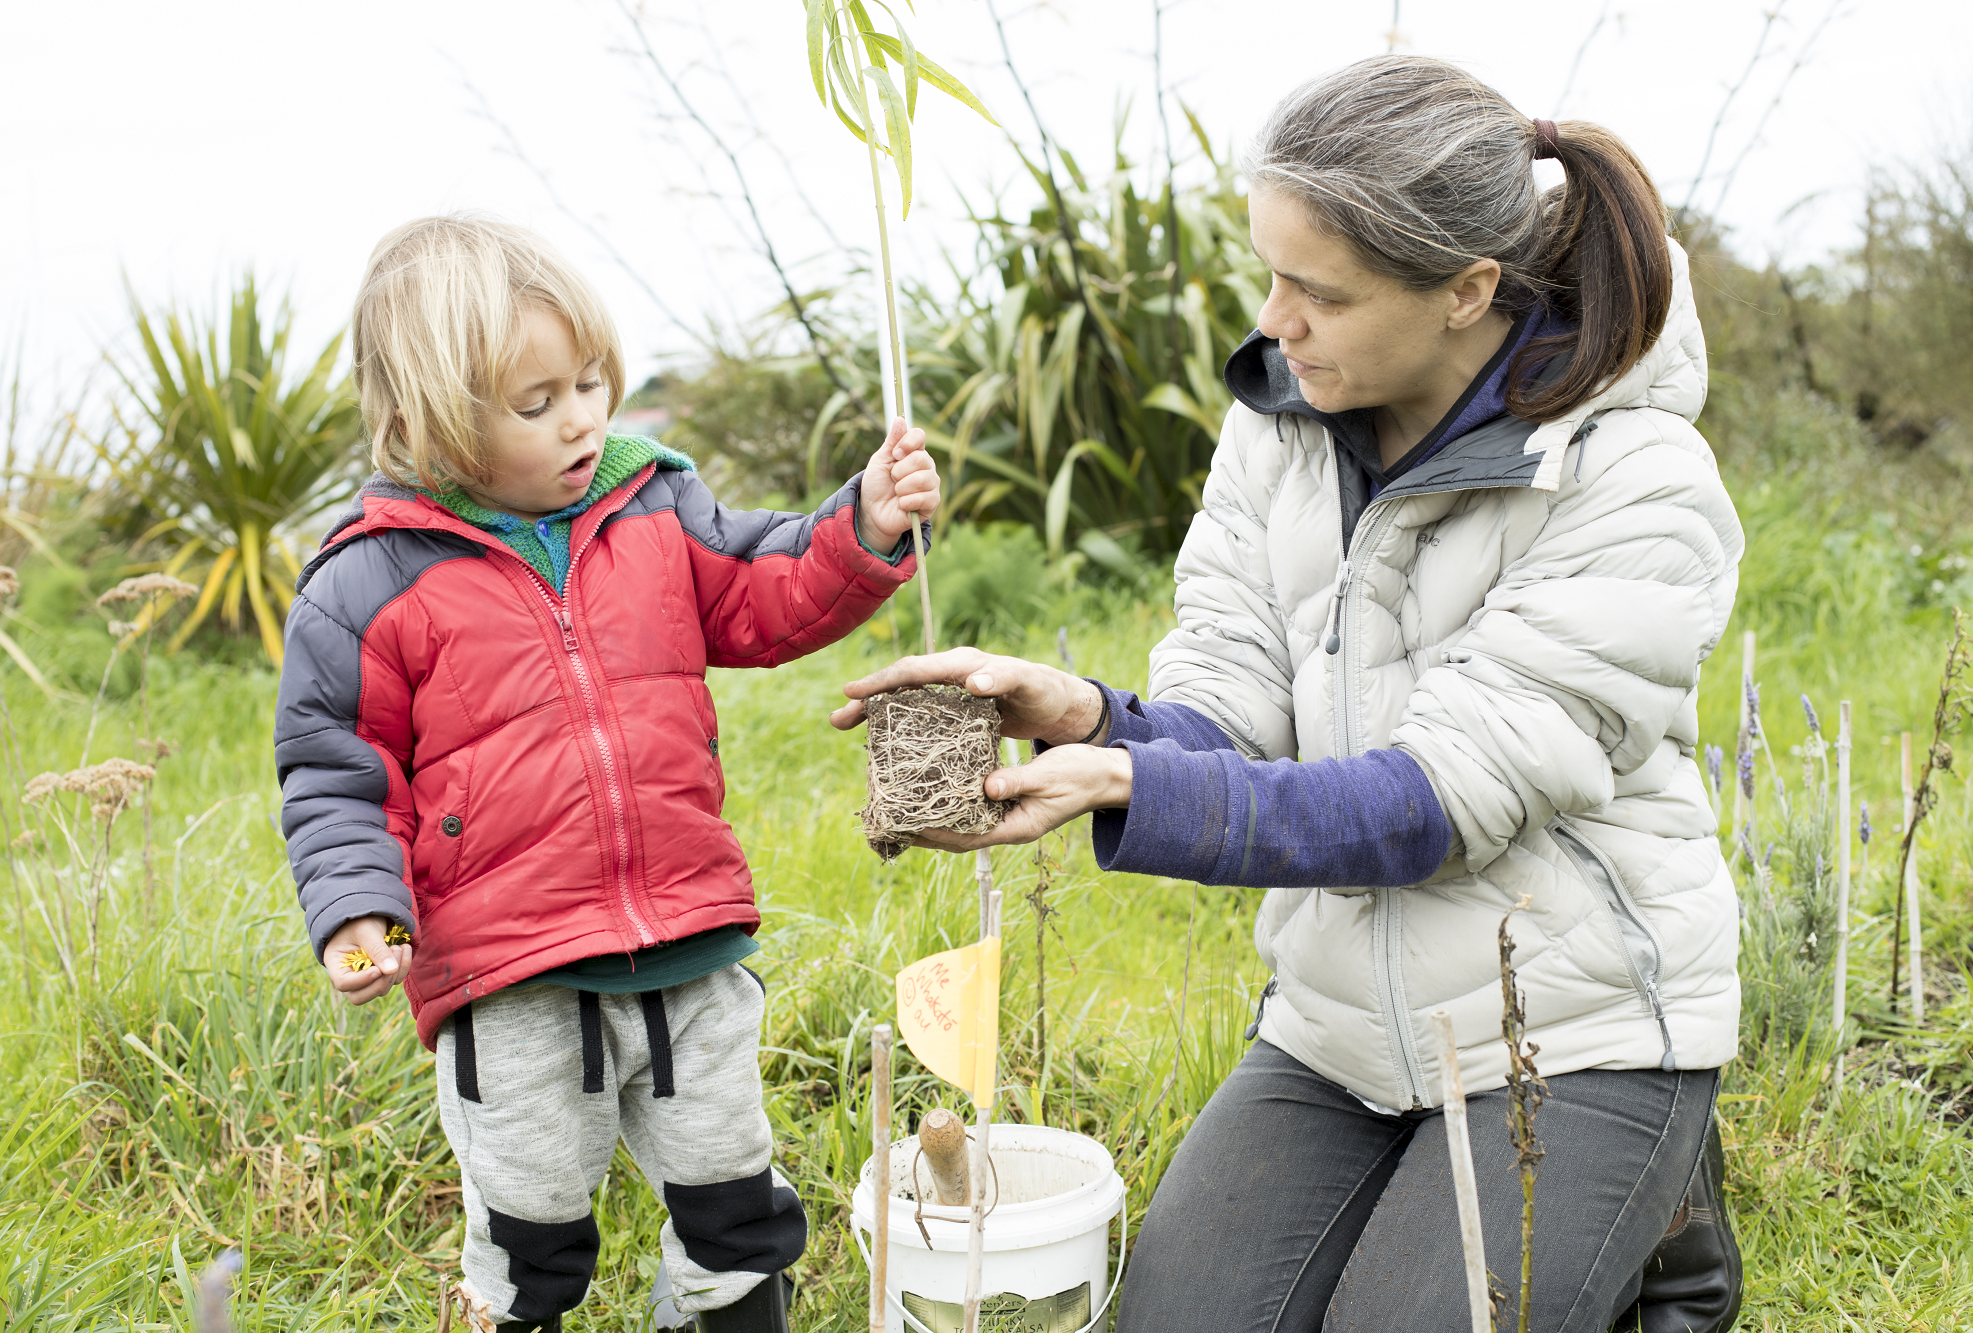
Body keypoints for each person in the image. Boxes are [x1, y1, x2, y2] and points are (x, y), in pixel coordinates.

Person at [833, 56, 1744, 1333]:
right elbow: (1229, 704)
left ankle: (1661, 1228)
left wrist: (1132, 786)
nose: (1274, 321)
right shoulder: (1278, 423)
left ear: (1465, 292)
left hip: (1578, 1023)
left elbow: (1431, 801)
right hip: (1338, 1023)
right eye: (1269, 273)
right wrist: (1090, 719)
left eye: (1317, 291)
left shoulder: (1633, 481)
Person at [276, 215, 939, 1333]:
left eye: (590, 382)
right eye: (535, 405)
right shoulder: (366, 585)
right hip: (510, 971)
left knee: (734, 1198)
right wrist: (355, 908)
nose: (580, 418)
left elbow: (764, 590)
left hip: (687, 934)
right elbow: (336, 774)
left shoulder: (653, 508)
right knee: (533, 1226)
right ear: (419, 422)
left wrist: (862, 523)